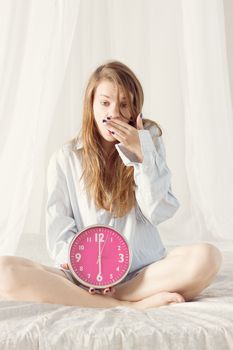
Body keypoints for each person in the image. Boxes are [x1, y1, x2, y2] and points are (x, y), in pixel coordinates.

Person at [0, 60, 222, 310]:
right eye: (105, 103)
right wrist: (86, 273)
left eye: (124, 104)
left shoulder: (149, 143)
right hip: (83, 277)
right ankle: (126, 305)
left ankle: (119, 296)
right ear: (91, 106)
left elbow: (158, 212)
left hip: (142, 274)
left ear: (134, 109)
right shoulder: (65, 158)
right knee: (4, 272)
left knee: (208, 257)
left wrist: (143, 157)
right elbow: (59, 234)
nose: (114, 112)